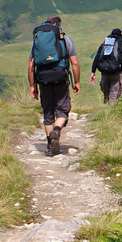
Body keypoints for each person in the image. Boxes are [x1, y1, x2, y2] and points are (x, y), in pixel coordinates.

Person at [28, 15, 80, 156]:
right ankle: (56, 131)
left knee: (48, 113)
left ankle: (50, 147)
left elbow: (31, 65)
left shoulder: (37, 41)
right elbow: (74, 63)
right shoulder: (65, 39)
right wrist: (76, 82)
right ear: (59, 25)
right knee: (63, 111)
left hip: (43, 79)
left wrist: (33, 86)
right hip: (60, 78)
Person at [89, 28, 122, 104]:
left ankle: (104, 109)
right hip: (116, 73)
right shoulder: (121, 45)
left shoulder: (104, 45)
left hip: (104, 73)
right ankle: (110, 111)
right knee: (114, 94)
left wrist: (93, 72)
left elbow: (97, 58)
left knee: (106, 93)